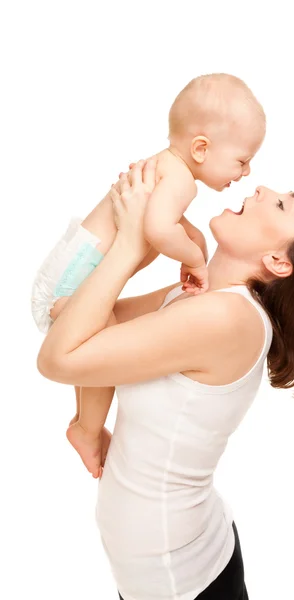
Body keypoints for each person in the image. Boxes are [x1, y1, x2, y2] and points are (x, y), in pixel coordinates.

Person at [37, 161, 294, 600]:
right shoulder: (198, 297)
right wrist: (145, 239)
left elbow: (59, 359)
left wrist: (131, 246)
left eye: (284, 204)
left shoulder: (229, 318)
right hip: (160, 573)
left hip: (183, 583)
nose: (264, 188)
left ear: (276, 261)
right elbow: (75, 322)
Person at [31, 73, 266, 478]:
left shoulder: (167, 169)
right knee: (96, 341)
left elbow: (171, 223)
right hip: (70, 283)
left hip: (68, 270)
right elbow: (159, 229)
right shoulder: (179, 182)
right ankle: (86, 429)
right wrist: (194, 259)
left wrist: (193, 242)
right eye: (242, 160)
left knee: (101, 335)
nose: (245, 173)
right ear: (201, 148)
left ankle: (83, 425)